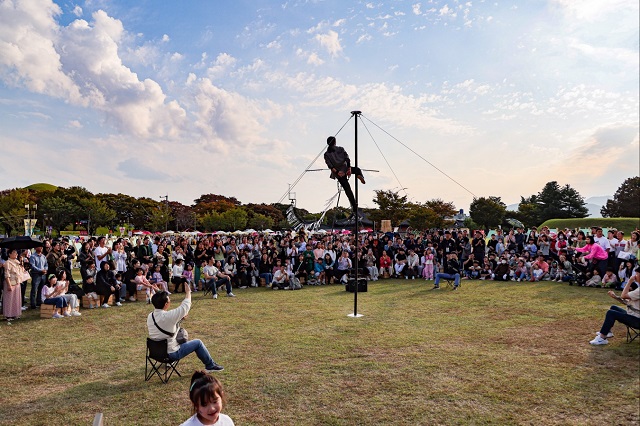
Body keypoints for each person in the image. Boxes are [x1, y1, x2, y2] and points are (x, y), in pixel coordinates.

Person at [147, 287, 224, 372]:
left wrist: (179, 318)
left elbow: (165, 325)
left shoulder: (150, 316)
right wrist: (188, 292)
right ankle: (210, 366)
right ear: (166, 304)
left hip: (156, 353)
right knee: (198, 343)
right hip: (171, 354)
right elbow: (185, 306)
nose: (170, 302)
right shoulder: (168, 316)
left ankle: (170, 362)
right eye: (169, 300)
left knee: (179, 336)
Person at [590, 266, 640, 345]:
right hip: (634, 315)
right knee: (613, 308)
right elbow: (629, 303)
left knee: (611, 313)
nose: (635, 276)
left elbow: (624, 295)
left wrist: (629, 281)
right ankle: (607, 331)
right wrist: (615, 297)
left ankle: (602, 338)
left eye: (637, 274)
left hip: (637, 320)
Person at [324, 135, 366, 212]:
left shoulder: (326, 154)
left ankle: (354, 206)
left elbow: (330, 166)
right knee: (357, 170)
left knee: (347, 189)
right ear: (335, 142)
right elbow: (347, 158)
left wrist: (337, 172)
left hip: (338, 173)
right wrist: (349, 168)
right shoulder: (340, 149)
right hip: (345, 168)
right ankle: (359, 175)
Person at [3, 248, 25, 321]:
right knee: (9, 299)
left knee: (16, 298)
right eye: (14, 253)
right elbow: (7, 274)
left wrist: (21, 260)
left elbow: (22, 270)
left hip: (17, 282)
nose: (16, 254)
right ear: (10, 254)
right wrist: (9, 285)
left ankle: (15, 313)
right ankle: (8, 315)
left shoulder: (17, 262)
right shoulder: (7, 263)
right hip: (10, 282)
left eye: (16, 253)